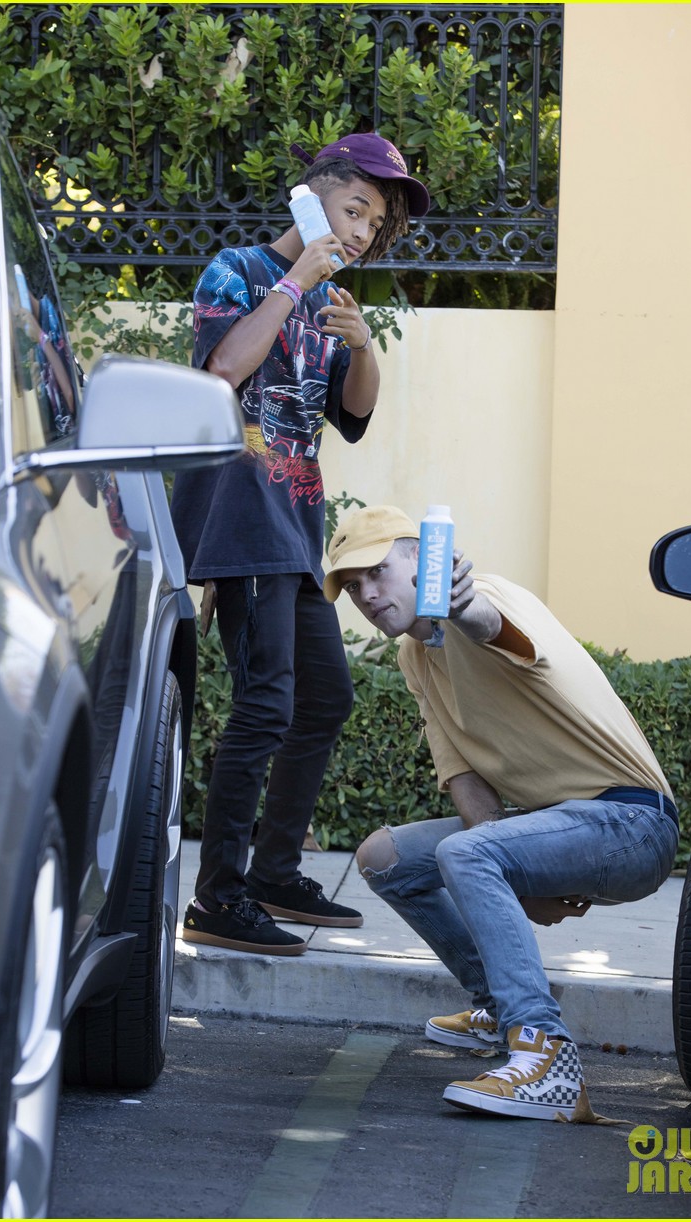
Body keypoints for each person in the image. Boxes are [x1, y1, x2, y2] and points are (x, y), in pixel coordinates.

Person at [323, 505, 679, 1118]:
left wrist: (460, 605)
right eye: (353, 587)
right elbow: (463, 773)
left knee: (467, 850)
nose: (368, 594)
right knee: (384, 858)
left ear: (422, 559)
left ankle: (547, 1056)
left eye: (378, 571)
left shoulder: (487, 597)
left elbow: (496, 630)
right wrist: (514, 875)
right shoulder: (415, 657)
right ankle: (499, 1006)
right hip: (562, 825)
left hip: (632, 823)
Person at [172, 138, 430, 956]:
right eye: (353, 210)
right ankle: (216, 896)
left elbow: (351, 416)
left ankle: (272, 873)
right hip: (238, 521)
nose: (360, 232)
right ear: (308, 195)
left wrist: (359, 342)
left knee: (322, 698)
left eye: (373, 222)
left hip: (293, 526)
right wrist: (291, 284)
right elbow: (220, 371)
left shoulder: (329, 297)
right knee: (266, 704)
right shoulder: (238, 270)